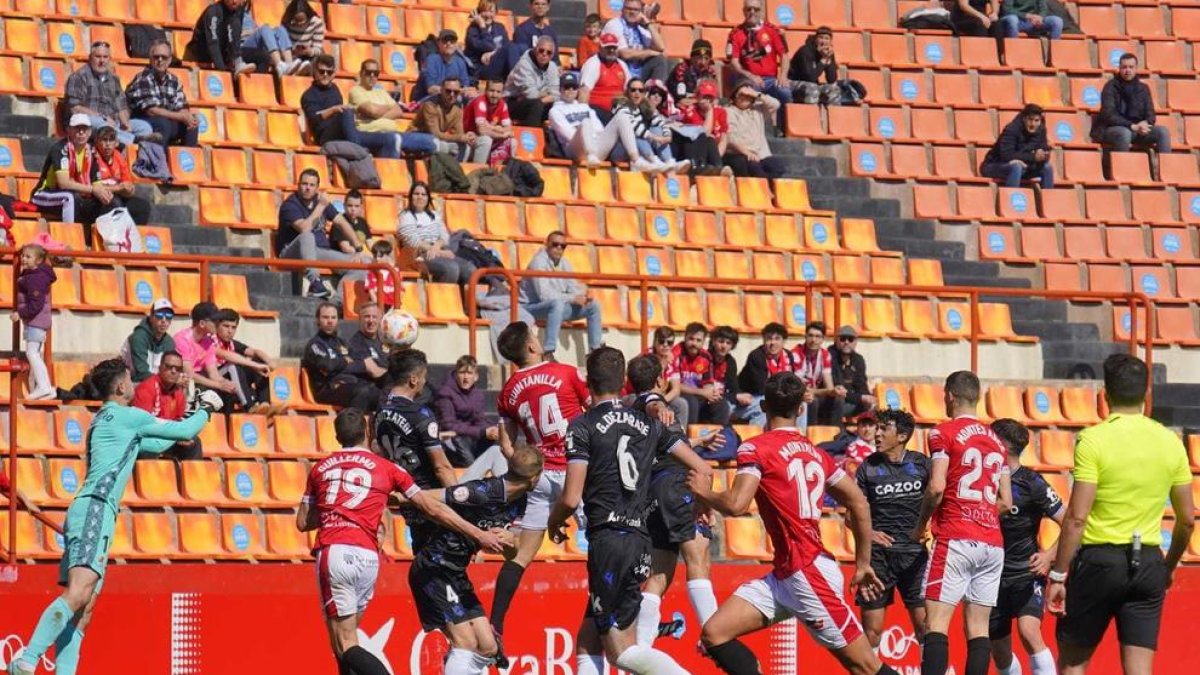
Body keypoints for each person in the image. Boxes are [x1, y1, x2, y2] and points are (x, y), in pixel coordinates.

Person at [6, 358, 220, 675]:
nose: (133, 385)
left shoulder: (108, 419)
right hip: (95, 508)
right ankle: (27, 659)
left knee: (85, 607)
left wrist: (189, 420)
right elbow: (185, 430)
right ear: (120, 386)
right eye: (130, 380)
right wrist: (207, 409)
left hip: (91, 509)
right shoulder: (126, 416)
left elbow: (159, 441)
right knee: (79, 593)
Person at [688, 372, 895, 675]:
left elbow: (736, 504)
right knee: (715, 633)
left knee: (866, 666)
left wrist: (705, 492)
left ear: (764, 406)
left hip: (808, 572)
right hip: (787, 573)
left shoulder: (755, 448)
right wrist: (862, 562)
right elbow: (858, 502)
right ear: (801, 409)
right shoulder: (818, 454)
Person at [298, 407, 504, 675]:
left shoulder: (320, 469)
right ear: (367, 432)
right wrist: (477, 534)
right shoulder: (387, 468)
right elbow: (432, 507)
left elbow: (303, 522)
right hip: (368, 558)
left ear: (337, 437)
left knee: (344, 644)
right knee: (351, 642)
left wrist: (334, 507)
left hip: (336, 550)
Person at [546, 346, 708, 675]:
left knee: (621, 651)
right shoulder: (650, 424)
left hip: (608, 540)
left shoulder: (581, 426)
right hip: (638, 539)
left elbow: (571, 497)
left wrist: (554, 521)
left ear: (587, 383)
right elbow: (701, 467)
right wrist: (702, 504)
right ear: (623, 382)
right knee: (589, 636)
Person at [1047, 353, 1194, 675]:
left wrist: (1058, 575)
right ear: (1146, 395)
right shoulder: (1170, 442)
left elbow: (1076, 517)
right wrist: (1166, 566)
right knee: (1139, 670)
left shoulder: (1093, 440)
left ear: (1105, 395)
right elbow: (1186, 520)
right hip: (1149, 562)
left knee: (1073, 664)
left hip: (1100, 561)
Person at [489, 321, 590, 667]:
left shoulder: (509, 390)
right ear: (532, 347)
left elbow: (506, 443)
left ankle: (495, 626)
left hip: (540, 476)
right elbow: (596, 414)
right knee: (607, 544)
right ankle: (614, 615)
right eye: (535, 334)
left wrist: (523, 466)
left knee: (521, 557)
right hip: (578, 471)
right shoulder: (566, 373)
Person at [912, 370, 1013, 675]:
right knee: (978, 628)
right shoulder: (997, 442)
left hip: (956, 536)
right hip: (992, 542)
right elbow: (1006, 501)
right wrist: (981, 514)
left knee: (936, 624)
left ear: (950, 396)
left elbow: (937, 487)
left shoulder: (943, 433)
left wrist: (920, 526)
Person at [412, 442, 542, 674]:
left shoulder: (521, 501)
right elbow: (420, 497)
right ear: (535, 478)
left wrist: (510, 540)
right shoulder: (481, 491)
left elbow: (514, 554)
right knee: (466, 643)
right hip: (434, 568)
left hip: (457, 573)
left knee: (489, 646)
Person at [626, 354, 720, 648]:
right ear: (659, 380)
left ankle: (641, 649)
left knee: (659, 575)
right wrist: (704, 503)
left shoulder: (629, 412)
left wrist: (697, 443)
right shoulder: (655, 403)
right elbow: (655, 404)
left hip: (651, 493)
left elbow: (664, 445)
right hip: (676, 484)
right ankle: (715, 636)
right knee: (699, 557)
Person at [988, 418, 1065, 675]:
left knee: (1029, 631)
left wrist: (1048, 556)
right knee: (999, 651)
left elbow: (1071, 523)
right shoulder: (983, 481)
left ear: (1001, 446)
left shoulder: (1032, 482)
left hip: (1024, 573)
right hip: (990, 574)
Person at [854, 408, 930, 650]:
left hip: (913, 556)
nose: (876, 434)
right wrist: (870, 533)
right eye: (876, 428)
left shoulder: (922, 465)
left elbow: (942, 499)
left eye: (883, 429)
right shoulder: (867, 467)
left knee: (925, 630)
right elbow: (850, 517)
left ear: (902, 436)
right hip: (878, 559)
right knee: (872, 633)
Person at [277, 168, 371, 299]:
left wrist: (358, 248)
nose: (307, 188)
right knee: (307, 236)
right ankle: (315, 282)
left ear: (317, 188)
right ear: (298, 185)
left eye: (311, 185)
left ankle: (338, 302)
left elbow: (342, 222)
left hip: (319, 252)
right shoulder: (290, 204)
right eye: (304, 184)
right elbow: (304, 229)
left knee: (362, 263)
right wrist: (320, 207)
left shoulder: (319, 201)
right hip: (292, 254)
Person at [549, 72, 656, 170]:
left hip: (595, 148)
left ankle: (635, 159)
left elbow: (599, 129)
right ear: (560, 89)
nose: (571, 90)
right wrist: (586, 131)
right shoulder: (555, 110)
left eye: (574, 87)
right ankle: (591, 155)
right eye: (567, 87)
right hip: (574, 150)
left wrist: (591, 136)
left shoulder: (585, 107)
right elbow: (569, 135)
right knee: (586, 122)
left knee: (622, 116)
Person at [522, 230, 604, 358]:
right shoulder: (538, 263)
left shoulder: (565, 263)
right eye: (555, 244)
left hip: (553, 309)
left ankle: (595, 352)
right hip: (529, 307)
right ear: (547, 244)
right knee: (557, 304)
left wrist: (584, 295)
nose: (559, 248)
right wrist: (572, 298)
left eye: (563, 246)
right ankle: (549, 351)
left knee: (593, 306)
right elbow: (544, 295)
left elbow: (572, 287)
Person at [1093, 53, 1172, 175]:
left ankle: (1168, 174)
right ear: (1119, 68)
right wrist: (1131, 126)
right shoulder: (1110, 87)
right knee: (1124, 133)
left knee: (1163, 132)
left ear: (1136, 68)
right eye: (1124, 67)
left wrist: (1145, 124)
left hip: (1138, 130)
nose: (1127, 70)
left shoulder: (1143, 88)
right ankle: (1121, 173)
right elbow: (1108, 115)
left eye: (1131, 67)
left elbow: (1151, 114)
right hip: (1112, 129)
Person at [65, 40, 156, 146]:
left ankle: (130, 141)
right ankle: (133, 142)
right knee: (102, 125)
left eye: (105, 57)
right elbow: (75, 108)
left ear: (110, 59)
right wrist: (103, 118)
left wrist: (125, 122)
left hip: (113, 123)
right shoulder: (78, 77)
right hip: (88, 123)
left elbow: (121, 106)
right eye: (98, 56)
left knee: (144, 127)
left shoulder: (113, 79)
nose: (102, 61)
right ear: (90, 58)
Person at [346, 59, 437, 158]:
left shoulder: (381, 92)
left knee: (430, 140)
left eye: (376, 73)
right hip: (369, 133)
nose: (372, 76)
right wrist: (388, 107)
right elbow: (372, 111)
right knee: (394, 139)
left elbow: (398, 111)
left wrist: (377, 114)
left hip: (392, 132)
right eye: (369, 73)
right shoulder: (356, 91)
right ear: (361, 73)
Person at [301, 302, 384, 411]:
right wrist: (345, 361)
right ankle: (352, 425)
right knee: (362, 391)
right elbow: (327, 366)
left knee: (381, 394)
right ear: (318, 320)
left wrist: (341, 364)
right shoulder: (315, 345)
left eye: (333, 317)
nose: (330, 321)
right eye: (325, 317)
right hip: (328, 389)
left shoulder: (342, 343)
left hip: (349, 384)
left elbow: (361, 364)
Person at [398, 181, 476, 285]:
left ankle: (463, 299)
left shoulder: (434, 215)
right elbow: (413, 241)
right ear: (411, 196)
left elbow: (444, 236)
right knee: (451, 269)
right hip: (420, 254)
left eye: (423, 194)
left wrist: (437, 247)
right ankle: (444, 299)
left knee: (470, 269)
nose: (420, 197)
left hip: (438, 250)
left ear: (428, 198)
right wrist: (435, 250)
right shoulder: (406, 216)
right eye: (416, 194)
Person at [125, 39, 199, 147]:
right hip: (141, 119)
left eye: (164, 57)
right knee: (163, 124)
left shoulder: (174, 80)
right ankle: (159, 161)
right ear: (150, 59)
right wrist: (180, 116)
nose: (160, 60)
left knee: (192, 123)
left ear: (169, 60)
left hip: (164, 120)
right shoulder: (143, 78)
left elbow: (180, 105)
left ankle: (187, 160)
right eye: (156, 57)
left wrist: (186, 116)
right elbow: (151, 110)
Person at [132, 351, 203, 460]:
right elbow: (144, 426)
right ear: (160, 368)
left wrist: (180, 435)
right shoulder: (146, 389)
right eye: (169, 367)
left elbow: (179, 420)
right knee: (148, 449)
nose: (173, 371)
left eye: (178, 369)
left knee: (194, 442)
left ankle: (194, 477)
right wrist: (173, 436)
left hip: (168, 437)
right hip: (147, 439)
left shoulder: (178, 393)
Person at [30, 115, 97, 224]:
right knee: (69, 197)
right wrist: (93, 190)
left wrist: (102, 192)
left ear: (90, 132)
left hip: (75, 195)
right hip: (44, 194)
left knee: (105, 201)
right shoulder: (60, 149)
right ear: (69, 130)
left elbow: (97, 182)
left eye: (84, 129)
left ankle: (92, 238)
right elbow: (64, 183)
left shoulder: (91, 152)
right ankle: (69, 235)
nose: (81, 132)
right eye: (77, 128)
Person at [435, 355, 499, 466]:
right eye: (462, 373)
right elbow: (448, 425)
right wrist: (481, 432)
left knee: (496, 438)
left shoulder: (477, 394)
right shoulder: (445, 393)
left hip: (469, 437)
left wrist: (491, 430)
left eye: (469, 373)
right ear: (455, 374)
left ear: (476, 376)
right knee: (464, 449)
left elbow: (480, 420)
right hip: (450, 439)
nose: (465, 377)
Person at [724, 0, 791, 106]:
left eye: (756, 9)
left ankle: (783, 122)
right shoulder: (735, 34)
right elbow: (734, 62)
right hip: (747, 79)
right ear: (743, 11)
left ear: (761, 11)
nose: (752, 12)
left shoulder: (772, 30)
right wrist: (750, 76)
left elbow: (784, 55)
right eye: (748, 9)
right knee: (749, 94)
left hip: (771, 79)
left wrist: (783, 75)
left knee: (784, 92)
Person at [612, 78, 687, 172]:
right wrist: (655, 138)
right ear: (627, 91)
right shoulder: (621, 106)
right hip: (620, 149)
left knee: (656, 128)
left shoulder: (644, 107)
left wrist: (667, 135)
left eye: (640, 90)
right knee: (636, 134)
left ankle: (669, 161)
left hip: (637, 150)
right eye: (633, 90)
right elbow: (634, 126)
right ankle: (654, 161)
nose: (637, 93)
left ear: (644, 93)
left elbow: (661, 123)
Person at [12, 243, 57, 400]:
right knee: (35, 353)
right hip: (37, 321)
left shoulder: (34, 279)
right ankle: (48, 388)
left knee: (32, 353)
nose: (23, 259)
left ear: (38, 261)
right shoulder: (35, 275)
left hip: (35, 321)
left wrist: (20, 313)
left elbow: (35, 304)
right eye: (23, 256)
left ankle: (43, 386)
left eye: (28, 257)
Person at [87, 125, 151, 226]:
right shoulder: (91, 156)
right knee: (115, 203)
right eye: (104, 140)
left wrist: (129, 190)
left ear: (116, 143)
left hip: (118, 196)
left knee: (142, 206)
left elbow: (128, 185)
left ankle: (131, 237)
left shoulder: (119, 156)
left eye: (111, 140)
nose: (107, 144)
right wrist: (119, 188)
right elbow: (93, 187)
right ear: (96, 142)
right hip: (96, 199)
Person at [173, 301, 239, 399]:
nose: (218, 324)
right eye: (214, 321)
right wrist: (218, 385)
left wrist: (225, 383)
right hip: (183, 383)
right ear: (202, 323)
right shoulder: (182, 340)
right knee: (202, 388)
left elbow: (213, 373)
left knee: (228, 389)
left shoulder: (208, 342)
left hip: (200, 381)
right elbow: (189, 374)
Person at [213, 308, 273, 414]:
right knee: (233, 366)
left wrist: (269, 361)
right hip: (213, 379)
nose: (230, 331)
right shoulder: (210, 341)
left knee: (259, 361)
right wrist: (254, 366)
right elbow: (228, 356)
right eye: (226, 326)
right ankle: (249, 407)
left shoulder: (232, 343)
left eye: (233, 327)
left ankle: (265, 404)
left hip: (231, 380)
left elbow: (255, 352)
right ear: (217, 325)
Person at [736, 322, 796, 427]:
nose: (772, 342)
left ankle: (796, 438)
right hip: (751, 397)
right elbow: (761, 388)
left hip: (776, 395)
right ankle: (757, 440)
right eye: (769, 339)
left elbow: (791, 382)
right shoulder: (756, 356)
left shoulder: (788, 355)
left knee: (800, 404)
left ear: (783, 341)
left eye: (777, 339)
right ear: (763, 340)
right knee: (764, 406)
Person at [723, 81, 786, 178]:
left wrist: (756, 93)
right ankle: (763, 190)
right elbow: (731, 138)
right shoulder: (728, 111)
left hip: (761, 154)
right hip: (740, 153)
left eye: (748, 96)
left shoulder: (758, 110)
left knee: (778, 167)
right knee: (755, 169)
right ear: (734, 96)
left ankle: (766, 187)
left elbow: (775, 104)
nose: (745, 98)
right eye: (741, 95)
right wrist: (747, 153)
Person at [981, 104, 1054, 188]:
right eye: (1030, 120)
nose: (1033, 124)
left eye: (1036, 120)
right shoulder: (1011, 129)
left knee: (1047, 167)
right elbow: (1006, 155)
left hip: (1025, 167)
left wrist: (1043, 156)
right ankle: (1011, 198)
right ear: (1024, 118)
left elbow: (1043, 149)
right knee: (1016, 167)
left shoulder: (1041, 130)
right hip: (995, 165)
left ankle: (1048, 199)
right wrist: (1033, 157)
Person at [673, 322, 731, 425]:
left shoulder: (706, 356)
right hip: (679, 396)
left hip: (699, 397)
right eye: (691, 339)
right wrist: (702, 392)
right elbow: (675, 385)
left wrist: (711, 393)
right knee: (692, 402)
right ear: (685, 338)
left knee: (722, 404)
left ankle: (718, 437)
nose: (694, 343)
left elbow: (708, 384)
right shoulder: (676, 353)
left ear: (704, 341)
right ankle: (690, 438)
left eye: (698, 340)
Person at [413, 76, 483, 160]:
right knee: (440, 145)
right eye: (448, 91)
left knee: (465, 146)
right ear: (441, 90)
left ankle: (458, 170)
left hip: (438, 140)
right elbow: (435, 134)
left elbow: (459, 132)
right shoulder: (430, 105)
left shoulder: (458, 107)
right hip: (419, 138)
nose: (452, 95)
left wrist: (467, 136)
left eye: (456, 92)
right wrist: (460, 137)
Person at [185, 0, 257, 76]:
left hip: (223, 53)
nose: (234, 1)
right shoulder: (213, 12)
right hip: (201, 54)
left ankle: (247, 84)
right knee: (234, 23)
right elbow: (213, 43)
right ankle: (236, 65)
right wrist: (223, 72)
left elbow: (235, 37)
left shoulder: (239, 10)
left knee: (262, 57)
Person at [602, 0, 667, 83]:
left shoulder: (641, 28)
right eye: (629, 9)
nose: (632, 12)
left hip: (640, 69)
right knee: (656, 55)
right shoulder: (614, 24)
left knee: (659, 60)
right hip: (619, 68)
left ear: (640, 12)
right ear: (622, 9)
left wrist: (648, 24)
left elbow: (660, 47)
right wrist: (651, 52)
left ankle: (655, 91)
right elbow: (625, 54)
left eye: (636, 10)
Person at [674, 80, 730, 176]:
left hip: (713, 153)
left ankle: (718, 168)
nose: (708, 101)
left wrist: (716, 157)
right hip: (695, 154)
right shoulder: (691, 111)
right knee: (709, 139)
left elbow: (724, 138)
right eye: (705, 97)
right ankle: (707, 170)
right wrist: (709, 111)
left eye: (710, 98)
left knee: (712, 142)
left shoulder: (721, 112)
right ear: (698, 97)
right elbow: (704, 133)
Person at [503, 35, 560, 127]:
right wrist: (547, 94)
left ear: (552, 55)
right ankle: (531, 137)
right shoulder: (524, 64)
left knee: (561, 105)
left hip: (536, 102)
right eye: (541, 50)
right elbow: (531, 95)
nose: (544, 54)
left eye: (549, 52)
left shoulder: (552, 67)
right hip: (511, 103)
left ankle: (556, 138)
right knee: (536, 105)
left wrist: (543, 98)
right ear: (535, 49)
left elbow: (556, 95)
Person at [239, 0, 304, 75]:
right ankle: (279, 65)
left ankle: (289, 64)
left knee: (280, 29)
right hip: (244, 48)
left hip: (256, 46)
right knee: (265, 28)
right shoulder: (231, 14)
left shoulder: (248, 14)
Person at [828, 325, 877, 424]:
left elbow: (861, 384)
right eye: (842, 339)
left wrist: (867, 397)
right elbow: (837, 388)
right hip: (830, 403)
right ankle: (835, 433)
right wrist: (861, 398)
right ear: (836, 341)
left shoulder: (858, 359)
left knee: (876, 405)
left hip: (851, 401)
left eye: (850, 339)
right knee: (838, 400)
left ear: (855, 342)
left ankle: (869, 435)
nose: (846, 342)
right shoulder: (829, 356)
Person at [122, 299, 176, 383]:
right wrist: (165, 381)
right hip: (133, 382)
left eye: (168, 316)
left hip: (156, 382)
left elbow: (171, 369)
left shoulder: (169, 342)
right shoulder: (138, 337)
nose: (164, 320)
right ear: (151, 318)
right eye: (159, 315)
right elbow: (141, 373)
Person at [579, 33, 630, 121]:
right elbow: (584, 92)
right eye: (608, 48)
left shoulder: (622, 65)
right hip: (597, 111)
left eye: (614, 48)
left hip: (619, 110)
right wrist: (584, 118)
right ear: (600, 48)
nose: (611, 50)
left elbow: (629, 89)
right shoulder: (593, 64)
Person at [794, 321, 835, 429]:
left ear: (823, 339)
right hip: (799, 395)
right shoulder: (796, 354)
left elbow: (829, 386)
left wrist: (834, 391)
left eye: (818, 336)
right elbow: (800, 388)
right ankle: (811, 436)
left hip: (815, 392)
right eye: (810, 336)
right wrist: (827, 391)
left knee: (837, 399)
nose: (813, 340)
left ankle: (836, 436)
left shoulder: (825, 355)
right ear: (805, 336)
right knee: (811, 400)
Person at [464, 80, 514, 164]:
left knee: (512, 142)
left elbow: (509, 129)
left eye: (498, 92)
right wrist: (501, 134)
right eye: (492, 91)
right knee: (486, 140)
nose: (494, 95)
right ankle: (478, 171)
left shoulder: (503, 104)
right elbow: (482, 131)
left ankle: (502, 172)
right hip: (469, 137)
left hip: (488, 137)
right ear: (486, 91)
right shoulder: (480, 101)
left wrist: (492, 128)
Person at [415, 30, 474, 101]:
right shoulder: (431, 59)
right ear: (438, 43)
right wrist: (455, 91)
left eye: (452, 41)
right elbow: (431, 89)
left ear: (456, 45)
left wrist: (465, 91)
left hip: (452, 100)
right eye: (445, 40)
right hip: (429, 100)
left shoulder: (460, 62)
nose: (448, 43)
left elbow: (465, 87)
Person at [787, 26, 840, 106]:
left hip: (812, 84)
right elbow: (809, 78)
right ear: (816, 39)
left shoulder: (828, 53)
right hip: (793, 84)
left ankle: (834, 116)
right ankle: (811, 116)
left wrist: (828, 60)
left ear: (830, 41)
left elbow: (832, 79)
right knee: (812, 88)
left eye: (826, 38)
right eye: (821, 38)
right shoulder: (805, 51)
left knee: (834, 89)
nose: (823, 42)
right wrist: (823, 61)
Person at [710, 325, 753, 418]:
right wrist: (735, 397)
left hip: (726, 398)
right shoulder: (705, 358)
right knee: (725, 407)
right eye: (721, 341)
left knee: (757, 406)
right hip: (709, 401)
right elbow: (703, 390)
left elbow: (734, 388)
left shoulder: (730, 361)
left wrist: (742, 396)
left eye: (728, 343)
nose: (724, 346)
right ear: (713, 341)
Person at [465, 0, 511, 84]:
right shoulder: (472, 29)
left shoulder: (500, 27)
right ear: (478, 13)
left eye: (491, 11)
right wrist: (482, 26)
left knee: (518, 47)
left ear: (496, 13)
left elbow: (508, 46)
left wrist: (493, 53)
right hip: (480, 69)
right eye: (484, 11)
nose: (488, 15)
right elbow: (488, 46)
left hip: (497, 66)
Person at [346, 302, 387, 389]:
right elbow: (374, 371)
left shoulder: (385, 340)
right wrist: (399, 377)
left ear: (380, 320)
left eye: (374, 317)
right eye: (367, 316)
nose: (371, 321)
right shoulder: (356, 343)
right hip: (375, 389)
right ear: (360, 319)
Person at [951, 0, 1006, 65]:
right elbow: (963, 5)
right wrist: (980, 16)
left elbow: (995, 2)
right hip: (963, 17)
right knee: (980, 26)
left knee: (997, 25)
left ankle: (998, 59)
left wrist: (994, 13)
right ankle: (982, 58)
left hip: (981, 18)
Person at [511, 0, 558, 64]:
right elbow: (523, 55)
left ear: (548, 7)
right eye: (536, 4)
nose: (540, 7)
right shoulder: (522, 29)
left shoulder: (551, 32)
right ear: (530, 6)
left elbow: (555, 58)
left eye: (543, 4)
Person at [282, 0, 325, 69]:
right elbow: (284, 45)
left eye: (302, 21)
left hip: (309, 56)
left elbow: (318, 48)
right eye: (296, 21)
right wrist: (294, 51)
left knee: (319, 57)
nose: (299, 24)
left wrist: (309, 51)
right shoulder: (287, 23)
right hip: (292, 56)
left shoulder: (316, 23)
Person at [331, 189, 370, 256]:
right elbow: (345, 248)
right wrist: (363, 254)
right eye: (350, 205)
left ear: (361, 207)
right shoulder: (340, 222)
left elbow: (370, 243)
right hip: (342, 259)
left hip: (358, 256)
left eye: (356, 206)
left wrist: (378, 254)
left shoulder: (363, 222)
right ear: (344, 206)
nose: (353, 209)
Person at [999, 0, 1064, 40]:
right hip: (1018, 21)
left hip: (1034, 21)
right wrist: (1026, 16)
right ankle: (1013, 52)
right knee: (1012, 19)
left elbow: (1043, 8)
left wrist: (1040, 17)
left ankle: (1053, 54)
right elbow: (1006, 9)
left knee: (1057, 21)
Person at [365, 240, 397, 309]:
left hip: (393, 306)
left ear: (388, 256)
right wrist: (378, 305)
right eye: (374, 256)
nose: (377, 259)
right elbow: (371, 290)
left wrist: (395, 305)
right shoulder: (371, 272)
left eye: (380, 256)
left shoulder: (395, 271)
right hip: (377, 304)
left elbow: (400, 290)